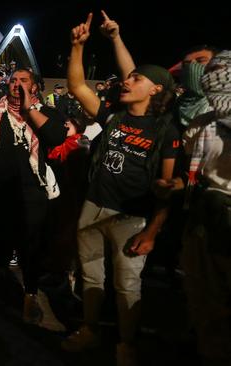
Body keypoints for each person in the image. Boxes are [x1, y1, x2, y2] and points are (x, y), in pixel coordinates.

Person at [61, 12, 181, 365]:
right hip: (93, 206)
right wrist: (77, 47)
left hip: (131, 218)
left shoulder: (164, 130)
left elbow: (167, 187)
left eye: (136, 79)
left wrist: (154, 230)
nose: (127, 82)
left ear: (156, 89)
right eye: (128, 78)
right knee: (91, 276)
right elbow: (78, 87)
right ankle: (90, 329)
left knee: (127, 285)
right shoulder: (113, 115)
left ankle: (126, 344)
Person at [0, 67, 66, 323]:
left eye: (24, 81)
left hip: (32, 195)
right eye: (13, 80)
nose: (16, 84)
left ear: (35, 87)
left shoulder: (45, 113)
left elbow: (56, 136)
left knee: (30, 248)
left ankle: (30, 294)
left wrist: (29, 109)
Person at [178, 50, 231, 366]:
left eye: (222, 70)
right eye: (213, 70)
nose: (214, 75)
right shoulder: (202, 122)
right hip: (204, 211)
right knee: (203, 293)